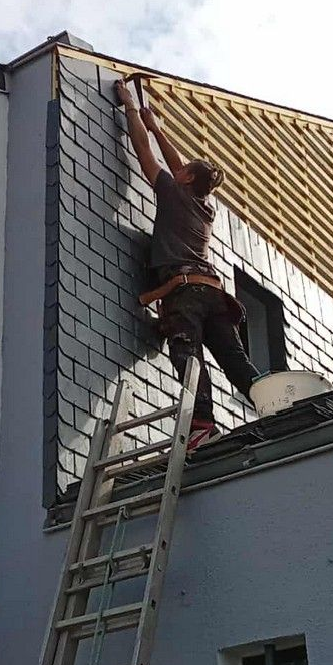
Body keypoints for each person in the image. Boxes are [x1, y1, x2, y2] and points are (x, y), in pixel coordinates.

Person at [114, 78, 259, 449]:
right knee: (234, 359)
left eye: (181, 171)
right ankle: (273, 403)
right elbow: (181, 166)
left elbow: (144, 153)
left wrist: (131, 108)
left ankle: (202, 423)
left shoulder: (173, 192)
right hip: (215, 294)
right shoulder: (203, 206)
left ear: (187, 179)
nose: (173, 169)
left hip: (187, 293)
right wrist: (158, 126)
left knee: (187, 353)